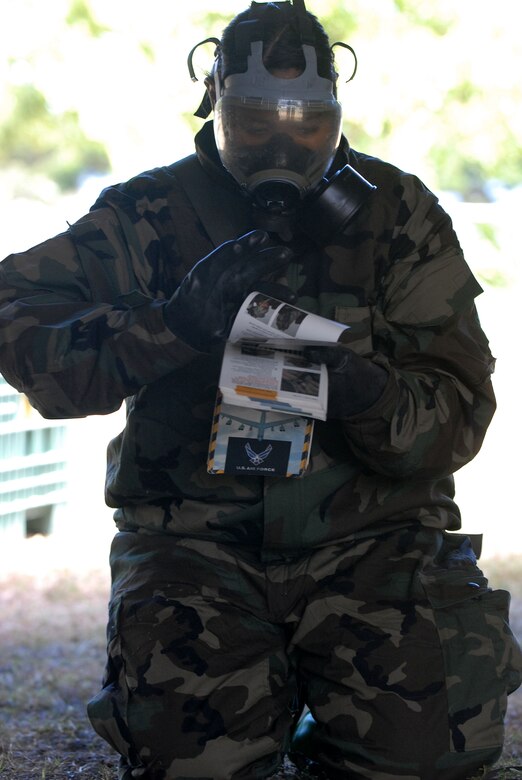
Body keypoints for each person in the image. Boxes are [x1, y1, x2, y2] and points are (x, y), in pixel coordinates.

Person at [0, 2, 521, 778]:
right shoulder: (150, 214)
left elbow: (460, 413)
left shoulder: (396, 214)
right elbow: (22, 332)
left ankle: (335, 729)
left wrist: (368, 397)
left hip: (374, 540)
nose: (284, 141)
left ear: (338, 117)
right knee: (194, 765)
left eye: (309, 123)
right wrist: (170, 326)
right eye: (252, 121)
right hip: (195, 546)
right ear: (213, 106)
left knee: (424, 758)